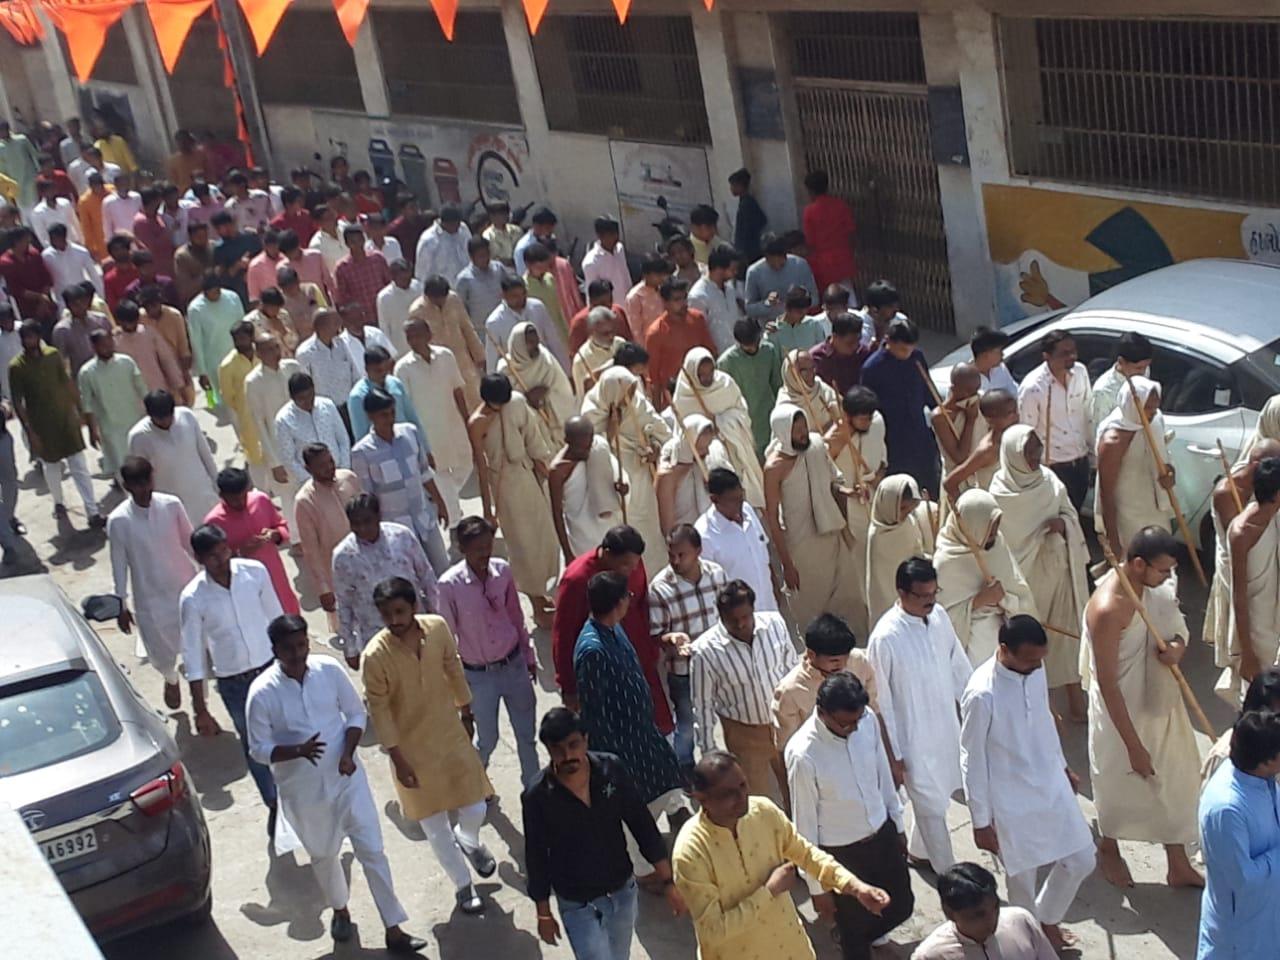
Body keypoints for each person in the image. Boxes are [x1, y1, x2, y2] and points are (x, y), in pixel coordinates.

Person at [246, 616, 426, 953]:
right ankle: (341, 910)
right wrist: (298, 751)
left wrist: (348, 753)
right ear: (275, 651)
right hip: (304, 794)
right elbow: (258, 749)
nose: (298, 654)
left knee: (373, 851)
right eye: (289, 649)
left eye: (302, 645)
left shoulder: (328, 670)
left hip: (348, 781)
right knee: (325, 856)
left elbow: (356, 715)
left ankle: (394, 928)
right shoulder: (262, 693)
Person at [674, 751, 890, 960]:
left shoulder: (764, 812)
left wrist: (855, 887)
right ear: (702, 799)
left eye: (743, 785)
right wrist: (770, 891)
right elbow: (713, 931)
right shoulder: (691, 852)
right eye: (729, 793)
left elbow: (808, 855)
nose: (742, 798)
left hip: (790, 949)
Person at [960, 616, 1095, 951]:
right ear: (1004, 649)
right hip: (1009, 802)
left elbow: (1044, 721)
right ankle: (1031, 946)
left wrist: (1063, 766)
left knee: (1082, 859)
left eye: (1040, 660)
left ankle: (1047, 920)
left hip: (1050, 783)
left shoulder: (1034, 669)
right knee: (1022, 885)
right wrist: (980, 821)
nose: (1037, 666)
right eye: (1030, 659)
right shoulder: (981, 694)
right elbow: (971, 759)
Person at [362, 576, 493, 915]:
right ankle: (464, 887)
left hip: (449, 734)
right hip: (411, 751)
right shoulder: (375, 657)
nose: (394, 621)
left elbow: (453, 667)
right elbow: (379, 712)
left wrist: (466, 710)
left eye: (400, 611)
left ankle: (470, 840)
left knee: (476, 805)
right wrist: (398, 759)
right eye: (386, 614)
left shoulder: (436, 628)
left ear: (414, 607)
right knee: (435, 827)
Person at [1085, 526, 1202, 888]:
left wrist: (1177, 650)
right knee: (1119, 785)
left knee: (1177, 781)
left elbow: (1178, 630)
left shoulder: (1155, 591)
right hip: (1121, 712)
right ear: (1137, 564)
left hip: (1160, 705)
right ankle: (1108, 848)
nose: (1168, 577)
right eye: (1162, 570)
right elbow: (1106, 683)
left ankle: (1177, 861)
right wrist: (1133, 746)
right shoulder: (1108, 609)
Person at [524, 707, 683, 960]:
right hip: (578, 903)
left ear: (586, 739)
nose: (568, 756)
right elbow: (536, 856)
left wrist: (667, 882)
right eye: (558, 749)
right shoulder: (537, 796)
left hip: (622, 892)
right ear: (548, 750)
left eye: (573, 745)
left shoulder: (612, 770)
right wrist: (543, 912)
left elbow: (642, 824)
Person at [787, 672, 911, 960]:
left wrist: (898, 823)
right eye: (845, 724)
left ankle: (860, 936)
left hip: (881, 835)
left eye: (856, 721)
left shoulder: (865, 721)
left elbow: (882, 775)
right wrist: (817, 889)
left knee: (901, 904)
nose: (853, 728)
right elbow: (804, 826)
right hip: (842, 855)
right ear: (822, 712)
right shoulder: (803, 754)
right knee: (855, 932)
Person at [573, 571, 689, 879]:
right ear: (617, 603)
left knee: (666, 780)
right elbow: (594, 711)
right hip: (622, 748)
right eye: (627, 597)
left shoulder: (614, 629)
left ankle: (674, 830)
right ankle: (642, 869)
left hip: (643, 735)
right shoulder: (592, 650)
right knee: (634, 807)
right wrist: (609, 761)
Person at [867, 557, 972, 873]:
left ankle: (919, 850)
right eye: (922, 596)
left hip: (945, 729)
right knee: (929, 809)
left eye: (933, 594)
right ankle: (949, 875)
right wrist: (893, 755)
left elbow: (958, 665)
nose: (930, 601)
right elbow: (880, 701)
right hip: (911, 741)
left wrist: (974, 708)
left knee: (938, 798)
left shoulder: (939, 617)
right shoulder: (885, 637)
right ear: (901, 592)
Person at [180, 523, 281, 819]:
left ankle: (304, 800)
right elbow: (193, 655)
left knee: (290, 733)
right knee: (256, 747)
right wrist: (200, 709)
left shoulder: (254, 573)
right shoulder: (193, 598)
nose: (221, 559)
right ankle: (275, 806)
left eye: (223, 550)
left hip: (271, 669)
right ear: (199, 559)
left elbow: (276, 618)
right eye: (212, 556)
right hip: (234, 683)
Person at [436, 516, 539, 787]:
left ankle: (534, 788)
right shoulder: (449, 586)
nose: (485, 554)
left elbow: (517, 617)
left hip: (513, 664)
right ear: (463, 549)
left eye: (488, 546)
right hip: (479, 676)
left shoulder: (502, 571)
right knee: (488, 738)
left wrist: (528, 656)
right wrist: (457, 690)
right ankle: (475, 783)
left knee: (526, 735)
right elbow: (447, 638)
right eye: (478, 549)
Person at [552, 525, 671, 728]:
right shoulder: (577, 579)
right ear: (606, 553)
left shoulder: (633, 563)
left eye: (634, 565)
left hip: (640, 660)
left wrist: (652, 648)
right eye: (625, 565)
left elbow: (643, 605)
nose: (631, 570)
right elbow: (564, 635)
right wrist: (569, 686)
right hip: (605, 674)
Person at [691, 580, 797, 801]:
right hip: (744, 734)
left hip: (784, 723)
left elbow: (793, 672)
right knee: (758, 800)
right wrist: (709, 753)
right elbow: (702, 705)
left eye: (745, 617)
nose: (741, 625)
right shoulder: (705, 651)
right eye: (733, 620)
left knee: (798, 789)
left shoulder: (775, 625)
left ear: (753, 609)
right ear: (721, 616)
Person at [468, 373, 559, 621]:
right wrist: (488, 510)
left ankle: (543, 590)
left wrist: (549, 474)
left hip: (526, 478)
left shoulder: (516, 403)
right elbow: (482, 468)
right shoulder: (477, 423)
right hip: (504, 489)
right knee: (522, 547)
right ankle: (537, 606)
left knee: (544, 538)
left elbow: (533, 439)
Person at [761, 405, 860, 630]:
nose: (803, 434)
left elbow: (834, 483)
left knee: (848, 600)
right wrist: (786, 564)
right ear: (783, 432)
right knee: (811, 611)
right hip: (802, 546)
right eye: (796, 431)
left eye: (804, 427)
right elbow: (773, 520)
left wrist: (849, 493)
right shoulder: (774, 468)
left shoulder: (816, 446)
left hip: (830, 536)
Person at [108, 456, 196, 707]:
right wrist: (121, 605)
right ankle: (170, 679)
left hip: (184, 585)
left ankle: (199, 699)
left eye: (147, 482)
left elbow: (190, 542)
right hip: (150, 598)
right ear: (127, 486)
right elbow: (118, 565)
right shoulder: (119, 521)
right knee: (160, 652)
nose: (144, 489)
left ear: (153, 478)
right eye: (137, 484)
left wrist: (209, 572)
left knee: (195, 644)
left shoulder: (171, 505)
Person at [1198, 708, 1280, 960]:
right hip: (1242, 934)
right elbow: (1243, 880)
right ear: (1266, 760)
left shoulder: (1261, 778)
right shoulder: (1227, 809)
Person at [649, 524, 729, 773]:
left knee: (726, 713)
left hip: (719, 664)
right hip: (684, 670)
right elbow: (655, 635)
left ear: (698, 551)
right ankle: (684, 767)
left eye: (681, 555)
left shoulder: (717, 575)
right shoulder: (660, 588)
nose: (675, 561)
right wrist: (670, 640)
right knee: (686, 723)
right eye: (671, 554)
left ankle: (723, 764)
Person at [9, 321, 103, 525]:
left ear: (39, 336)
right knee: (51, 468)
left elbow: (68, 382)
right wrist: (30, 431)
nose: (29, 341)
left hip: (66, 419)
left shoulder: (53, 355)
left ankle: (92, 511)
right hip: (42, 424)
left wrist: (81, 410)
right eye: (26, 338)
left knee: (79, 465)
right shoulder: (16, 367)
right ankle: (58, 502)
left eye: (33, 337)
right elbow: (18, 402)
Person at [579, 367, 670, 574]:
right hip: (614, 486)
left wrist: (654, 448)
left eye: (631, 391)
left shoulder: (639, 405)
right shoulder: (592, 412)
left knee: (647, 530)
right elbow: (593, 450)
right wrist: (611, 430)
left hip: (641, 480)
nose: (629, 397)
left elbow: (664, 434)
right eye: (625, 393)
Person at [332, 494, 438, 667]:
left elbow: (427, 577)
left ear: (378, 516)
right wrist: (350, 647)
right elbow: (344, 603)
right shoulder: (343, 556)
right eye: (356, 523)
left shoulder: (402, 537)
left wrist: (436, 618)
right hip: (377, 635)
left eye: (367, 521)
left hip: (416, 627)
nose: (362, 528)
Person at [351, 388, 449, 572]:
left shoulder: (410, 433)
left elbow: (424, 472)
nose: (390, 419)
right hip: (395, 527)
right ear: (371, 417)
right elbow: (368, 496)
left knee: (442, 568)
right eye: (383, 415)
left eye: (392, 413)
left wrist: (440, 502)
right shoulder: (362, 452)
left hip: (424, 517)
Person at [934, 489, 1035, 667]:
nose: (994, 533)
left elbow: (1019, 590)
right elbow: (940, 619)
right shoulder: (946, 562)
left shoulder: (997, 545)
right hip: (972, 651)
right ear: (973, 524)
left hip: (1004, 638)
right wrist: (978, 601)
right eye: (990, 526)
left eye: (996, 526)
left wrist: (1007, 600)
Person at [671, 347, 764, 508]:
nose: (707, 378)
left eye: (710, 372)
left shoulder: (725, 384)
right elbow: (683, 432)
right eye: (702, 375)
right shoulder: (684, 395)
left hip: (734, 451)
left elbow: (742, 413)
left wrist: (721, 421)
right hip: (704, 461)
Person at [1095, 376, 1175, 561]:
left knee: (1162, 565)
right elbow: (1106, 494)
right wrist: (1113, 541)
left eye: (1155, 408)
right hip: (1128, 517)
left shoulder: (1156, 420)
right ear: (1132, 404)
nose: (1153, 413)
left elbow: (1165, 461)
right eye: (1148, 408)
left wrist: (1170, 475)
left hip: (1155, 512)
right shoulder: (1113, 440)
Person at [773, 613, 878, 752]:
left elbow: (874, 709)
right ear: (811, 654)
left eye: (846, 658)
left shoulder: (858, 661)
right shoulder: (790, 691)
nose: (842, 666)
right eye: (834, 661)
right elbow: (786, 747)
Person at [860, 317, 940, 498]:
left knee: (930, 485)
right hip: (893, 440)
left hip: (920, 435)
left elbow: (928, 391)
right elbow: (868, 407)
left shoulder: (916, 357)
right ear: (888, 341)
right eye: (903, 349)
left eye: (911, 348)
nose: (908, 353)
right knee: (904, 491)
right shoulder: (872, 368)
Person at [912, 862, 1057, 959]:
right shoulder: (931, 955)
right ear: (950, 912)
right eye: (978, 915)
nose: (992, 920)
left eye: (995, 907)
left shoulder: (1021, 921)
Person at [204, 466, 298, 614]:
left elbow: (282, 526)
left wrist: (276, 534)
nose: (241, 503)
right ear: (222, 495)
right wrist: (240, 553)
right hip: (245, 586)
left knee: (287, 611)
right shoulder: (214, 522)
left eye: (244, 496)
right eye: (234, 500)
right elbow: (214, 564)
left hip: (275, 575)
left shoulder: (260, 500)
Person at [1017, 331, 1093, 511]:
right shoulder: (1033, 388)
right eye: (1064, 353)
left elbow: (1088, 415)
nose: (1071, 357)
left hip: (1080, 463)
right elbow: (1027, 434)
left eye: (1073, 351)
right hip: (1052, 468)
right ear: (1046, 356)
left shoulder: (1080, 372)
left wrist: (1093, 457)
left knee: (1073, 517)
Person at [1225, 457, 1280, 693]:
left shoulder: (1275, 515)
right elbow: (1239, 595)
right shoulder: (1242, 533)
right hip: (1257, 624)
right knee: (1261, 690)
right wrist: (1247, 653)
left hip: (1276, 617)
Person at [695, 468, 778, 613]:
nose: (739, 506)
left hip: (769, 607)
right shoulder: (704, 534)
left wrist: (775, 587)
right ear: (714, 499)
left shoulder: (748, 511)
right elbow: (708, 587)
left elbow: (763, 552)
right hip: (740, 619)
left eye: (741, 498)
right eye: (732, 501)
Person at [127, 390, 219, 523]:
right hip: (171, 504)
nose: (166, 421)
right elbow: (140, 478)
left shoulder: (186, 416)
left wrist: (216, 483)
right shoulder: (138, 437)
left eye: (169, 416)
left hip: (202, 493)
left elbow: (204, 453)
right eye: (160, 418)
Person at [548, 417, 625, 563]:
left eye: (588, 446)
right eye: (580, 448)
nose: (586, 452)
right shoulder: (558, 471)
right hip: (580, 539)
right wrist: (567, 553)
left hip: (606, 530)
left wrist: (621, 489)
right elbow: (557, 515)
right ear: (567, 440)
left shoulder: (597, 451)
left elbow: (613, 483)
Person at [865, 475, 934, 625]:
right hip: (886, 597)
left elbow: (916, 553)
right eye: (902, 508)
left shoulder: (909, 523)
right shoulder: (877, 535)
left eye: (909, 508)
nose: (905, 513)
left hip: (911, 592)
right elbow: (881, 578)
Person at [77, 328, 146, 479]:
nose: (108, 348)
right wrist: (92, 430)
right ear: (94, 347)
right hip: (110, 426)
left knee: (142, 458)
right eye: (103, 345)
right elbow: (87, 403)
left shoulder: (126, 362)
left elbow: (141, 387)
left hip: (133, 418)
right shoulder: (87, 372)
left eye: (110, 343)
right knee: (122, 465)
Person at [498, 321, 575, 452]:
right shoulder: (506, 368)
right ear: (519, 345)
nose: (535, 347)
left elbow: (561, 388)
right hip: (531, 424)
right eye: (530, 344)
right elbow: (508, 401)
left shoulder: (544, 357)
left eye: (536, 342)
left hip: (554, 418)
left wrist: (544, 394)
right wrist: (526, 398)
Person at [717, 318, 783, 460]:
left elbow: (778, 386)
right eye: (748, 346)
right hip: (742, 426)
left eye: (755, 342)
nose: (753, 348)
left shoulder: (769, 351)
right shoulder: (726, 363)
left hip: (769, 421)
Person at [644, 279, 716, 406]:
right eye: (677, 300)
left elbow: (711, 353)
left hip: (704, 391)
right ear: (665, 303)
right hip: (675, 397)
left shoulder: (697, 320)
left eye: (684, 298)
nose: (683, 303)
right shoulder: (656, 333)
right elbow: (654, 379)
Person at [655, 414, 732, 533]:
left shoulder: (711, 458)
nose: (707, 452)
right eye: (701, 449)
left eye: (708, 446)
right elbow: (667, 527)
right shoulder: (669, 473)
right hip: (687, 541)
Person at [940, 389, 1019, 503]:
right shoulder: (988, 450)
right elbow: (950, 483)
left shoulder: (1017, 438)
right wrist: (968, 512)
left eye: (1015, 411)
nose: (1016, 416)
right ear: (990, 419)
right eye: (1010, 413)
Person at [188, 273, 245, 402]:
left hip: (237, 355)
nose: (216, 295)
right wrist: (202, 372)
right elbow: (196, 341)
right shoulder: (195, 309)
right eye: (212, 292)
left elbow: (243, 324)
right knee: (213, 399)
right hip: (212, 362)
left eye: (218, 291)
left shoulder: (232, 298)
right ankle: (212, 406)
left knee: (239, 396)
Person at [112, 299, 184, 396]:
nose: (131, 326)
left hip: (156, 388)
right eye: (127, 323)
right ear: (119, 321)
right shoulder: (114, 340)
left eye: (133, 322)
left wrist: (177, 383)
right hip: (131, 393)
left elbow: (166, 359)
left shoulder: (149, 333)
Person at [801, 170, 856, 293]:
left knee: (829, 296)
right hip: (843, 257)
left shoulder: (809, 211)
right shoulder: (840, 205)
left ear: (810, 190)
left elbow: (810, 241)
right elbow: (851, 231)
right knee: (848, 294)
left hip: (822, 262)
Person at [744, 233, 818, 322]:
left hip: (800, 324)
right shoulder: (754, 272)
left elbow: (815, 299)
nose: (777, 265)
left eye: (781, 263)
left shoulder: (800, 265)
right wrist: (767, 304)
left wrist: (798, 303)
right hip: (771, 327)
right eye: (772, 264)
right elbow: (749, 308)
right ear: (766, 257)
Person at [1091, 331, 1153, 434]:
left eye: (1146, 367)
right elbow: (1100, 432)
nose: (1143, 372)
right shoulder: (1103, 392)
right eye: (1138, 368)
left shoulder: (1144, 371)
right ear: (1121, 361)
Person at [687, 246, 744, 356]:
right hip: (716, 357)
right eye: (733, 269)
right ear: (719, 269)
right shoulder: (698, 296)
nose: (735, 272)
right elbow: (698, 333)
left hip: (737, 354)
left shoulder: (730, 288)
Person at [51, 283, 112, 378]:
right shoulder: (62, 330)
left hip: (108, 371)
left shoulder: (101, 320)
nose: (81, 307)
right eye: (76, 304)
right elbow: (62, 360)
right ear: (68, 306)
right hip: (83, 377)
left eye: (83, 302)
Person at [334, 226, 392, 324]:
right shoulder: (342, 268)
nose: (357, 244)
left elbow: (389, 284)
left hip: (384, 314)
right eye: (353, 241)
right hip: (362, 320)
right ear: (347, 244)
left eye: (360, 240)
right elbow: (343, 298)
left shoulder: (377, 258)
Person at [455, 236, 507, 337]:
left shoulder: (499, 269)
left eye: (487, 254)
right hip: (481, 332)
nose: (485, 259)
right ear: (471, 256)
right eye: (481, 256)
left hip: (502, 326)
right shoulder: (464, 279)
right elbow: (461, 309)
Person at [809, 313, 869, 399]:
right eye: (850, 343)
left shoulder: (863, 354)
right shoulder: (816, 358)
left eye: (858, 341)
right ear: (835, 336)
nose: (855, 346)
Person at [571, 305, 627, 396]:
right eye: (605, 333)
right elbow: (583, 397)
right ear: (591, 332)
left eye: (612, 331)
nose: (611, 336)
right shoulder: (581, 361)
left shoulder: (620, 343)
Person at [41, 224, 102, 303]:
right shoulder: (46, 256)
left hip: (82, 298)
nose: (53, 242)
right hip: (62, 300)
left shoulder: (81, 252)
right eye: (51, 239)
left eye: (56, 239)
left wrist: (100, 295)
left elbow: (94, 275)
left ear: (63, 237)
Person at [414, 204, 471, 283]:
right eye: (454, 225)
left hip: (468, 284)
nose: (457, 228)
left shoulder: (463, 229)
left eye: (459, 223)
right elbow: (422, 274)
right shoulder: (428, 240)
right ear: (444, 223)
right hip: (445, 290)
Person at [375, 259, 421, 356]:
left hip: (422, 344)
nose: (408, 282)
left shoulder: (418, 287)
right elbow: (384, 327)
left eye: (409, 278)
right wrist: (391, 353)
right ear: (393, 277)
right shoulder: (384, 298)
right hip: (400, 350)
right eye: (404, 279)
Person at [623, 255, 671, 345]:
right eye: (658, 275)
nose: (662, 278)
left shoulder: (664, 289)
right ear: (645, 275)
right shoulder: (635, 297)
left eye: (663, 274)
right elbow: (636, 330)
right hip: (650, 344)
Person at [766, 286, 825, 356]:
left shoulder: (814, 325)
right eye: (799, 313)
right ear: (787, 309)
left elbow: (822, 354)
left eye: (805, 312)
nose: (803, 316)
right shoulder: (774, 331)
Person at [728, 167, 767, 262]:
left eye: (733, 185)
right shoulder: (746, 201)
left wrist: (745, 246)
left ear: (740, 186)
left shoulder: (747, 203)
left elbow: (747, 229)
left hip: (748, 252)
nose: (731, 189)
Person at [970, 326, 1018, 395]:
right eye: (999, 351)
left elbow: (1014, 392)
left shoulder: (1001, 368)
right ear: (985, 354)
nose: (1002, 354)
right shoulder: (967, 378)